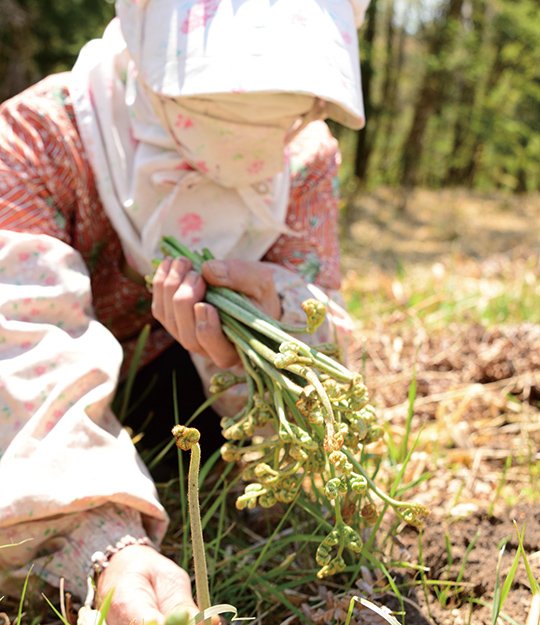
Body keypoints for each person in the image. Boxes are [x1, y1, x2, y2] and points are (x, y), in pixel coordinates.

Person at [0, 0, 369, 623]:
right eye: (214, 106)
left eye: (287, 111)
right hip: (67, 396)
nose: (249, 142)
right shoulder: (42, 141)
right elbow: (25, 341)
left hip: (183, 408)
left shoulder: (305, 160)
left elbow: (321, 330)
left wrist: (264, 335)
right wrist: (101, 545)